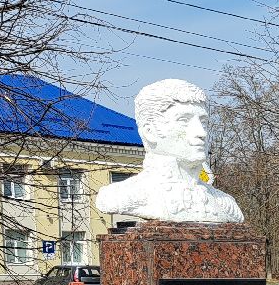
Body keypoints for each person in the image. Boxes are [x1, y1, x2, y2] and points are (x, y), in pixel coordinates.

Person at [97, 79, 243, 223]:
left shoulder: (227, 205)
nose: (201, 132)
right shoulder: (122, 196)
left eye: (203, 122)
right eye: (184, 120)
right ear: (150, 132)